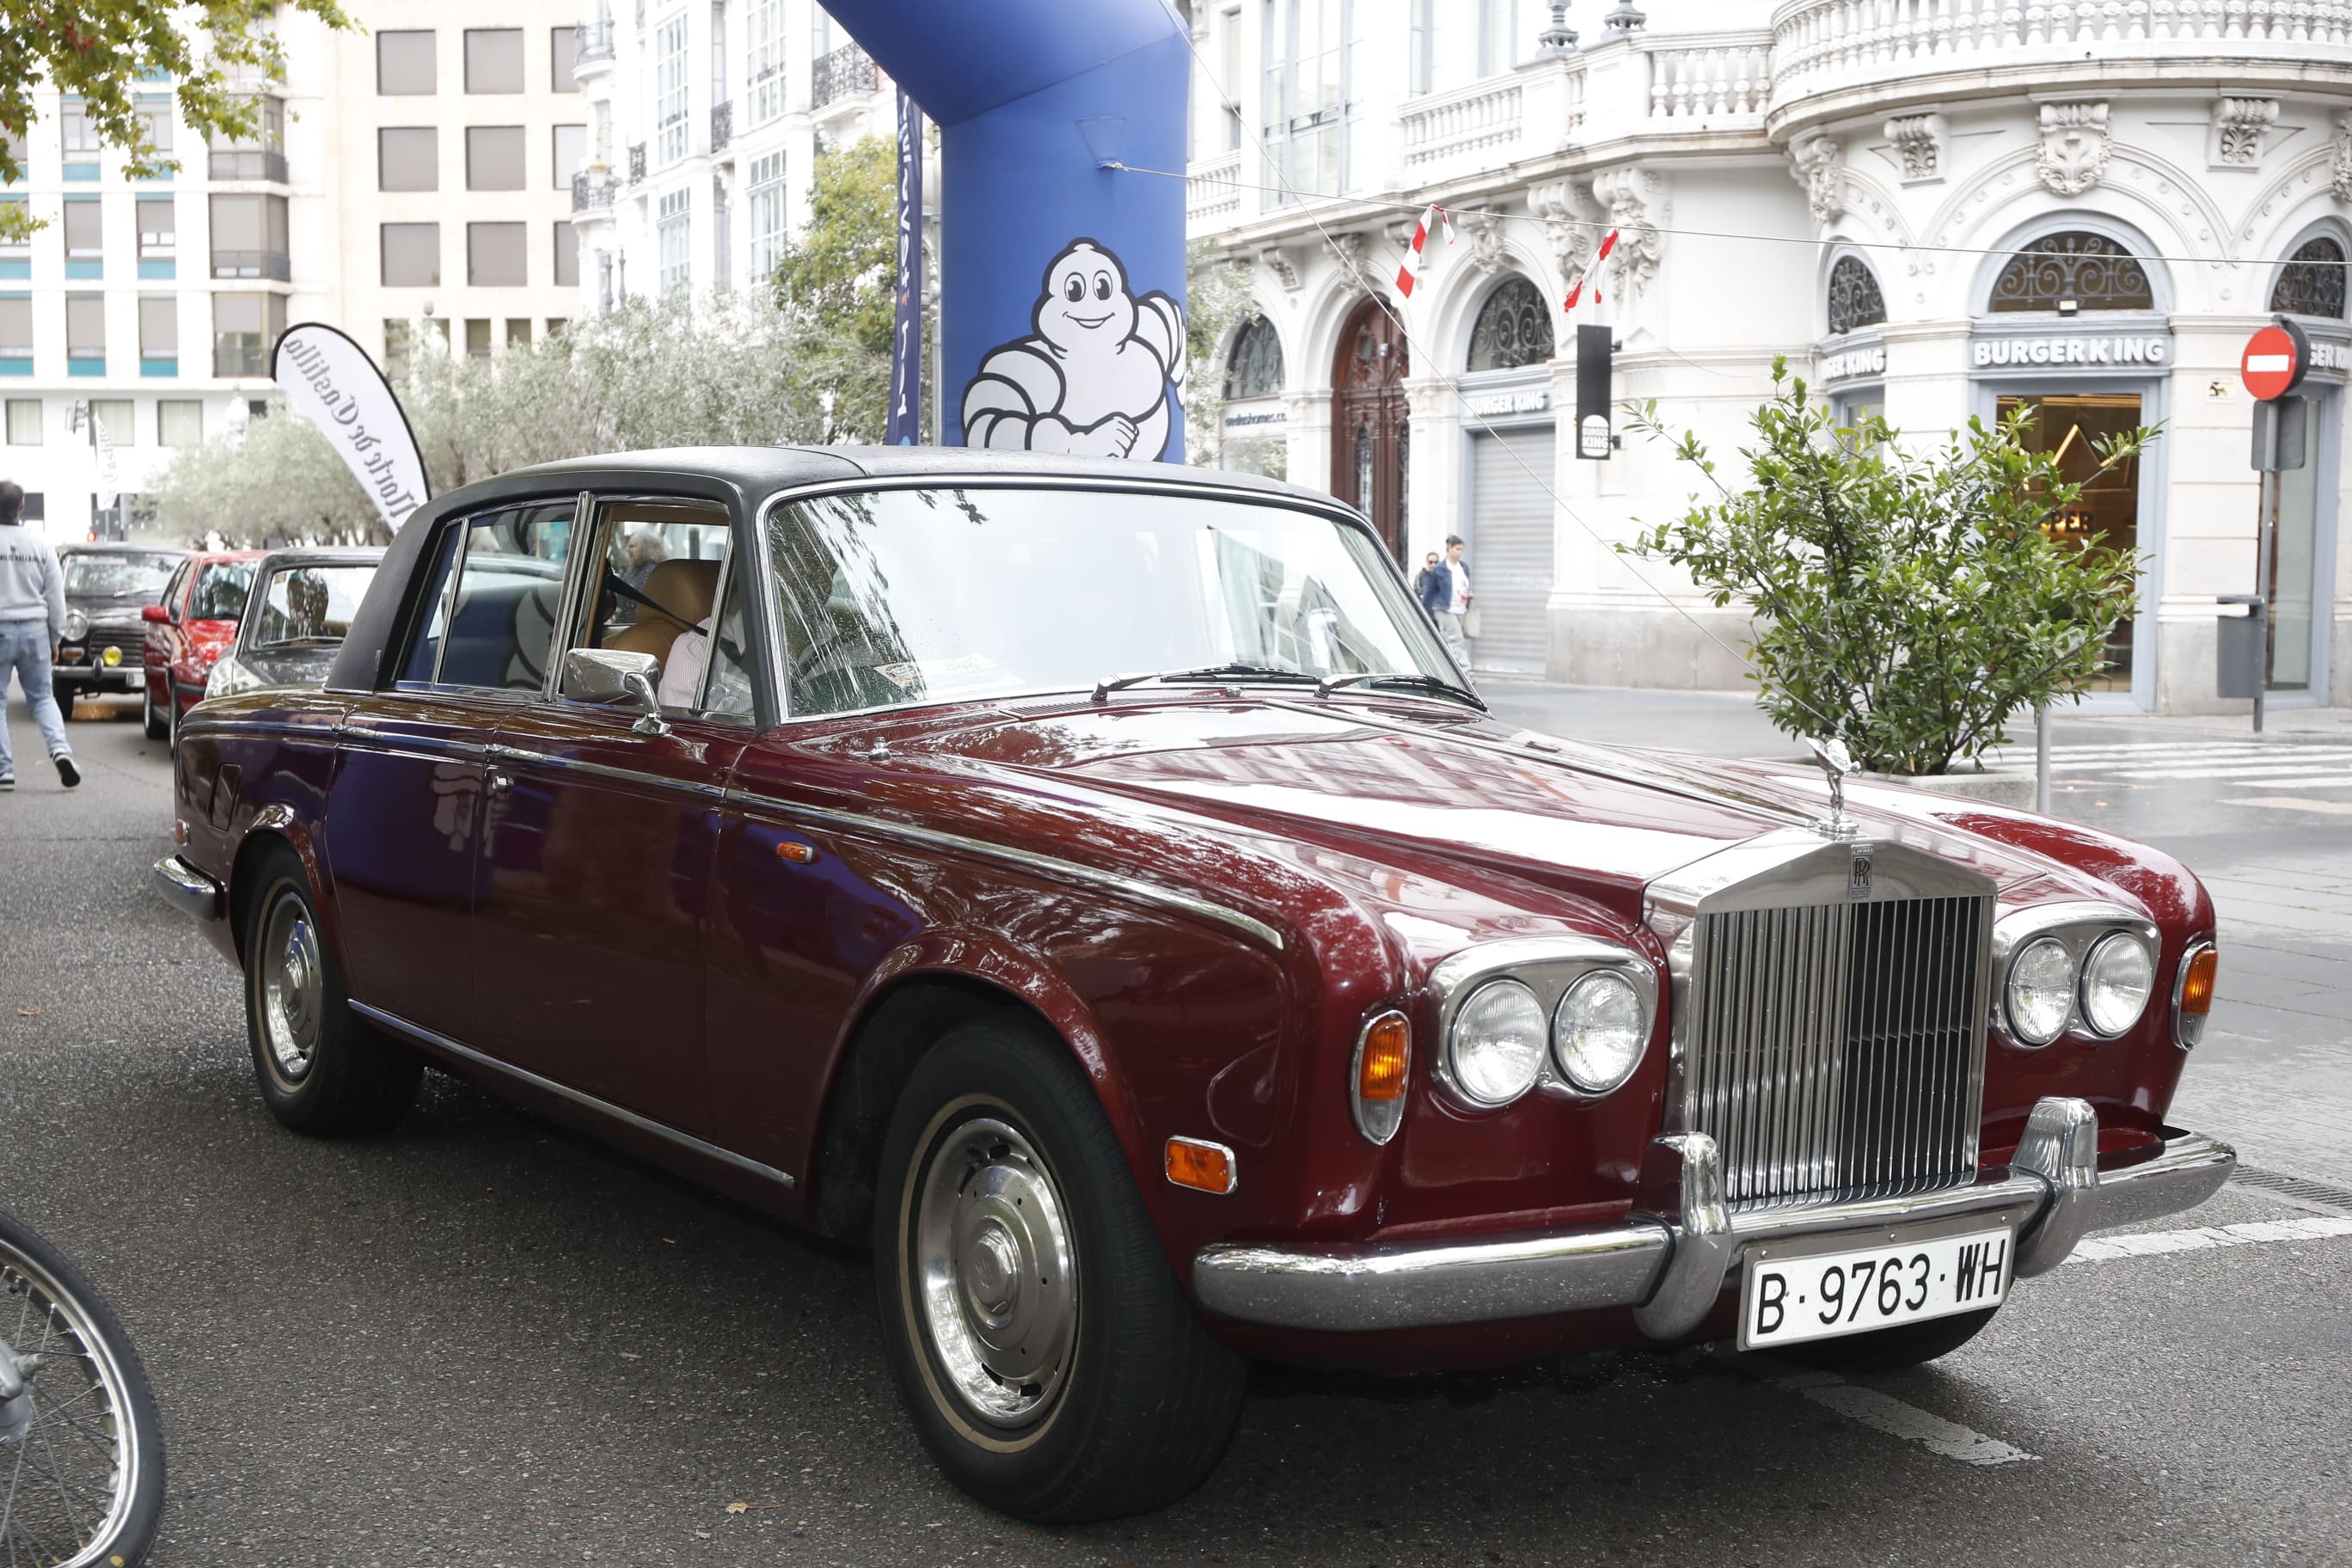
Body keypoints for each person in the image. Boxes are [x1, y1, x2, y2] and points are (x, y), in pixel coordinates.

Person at [0, 481, 79, 791]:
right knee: (43, 698)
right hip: (34, 630)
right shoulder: (41, 547)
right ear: (22, 508)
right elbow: (55, 597)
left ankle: (4, 769)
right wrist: (55, 637)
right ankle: (61, 750)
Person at [1418, 534, 1474, 671]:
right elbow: (1430, 590)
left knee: (1447, 641)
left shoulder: (1464, 567)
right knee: (1456, 640)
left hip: (1460, 609)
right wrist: (1421, 609)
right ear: (1449, 548)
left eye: (1461, 550)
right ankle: (1465, 671)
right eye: (1457, 549)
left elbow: (1464, 586)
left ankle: (1445, 670)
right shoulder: (1440, 569)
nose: (1460, 552)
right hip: (1444, 609)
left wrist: (1469, 595)